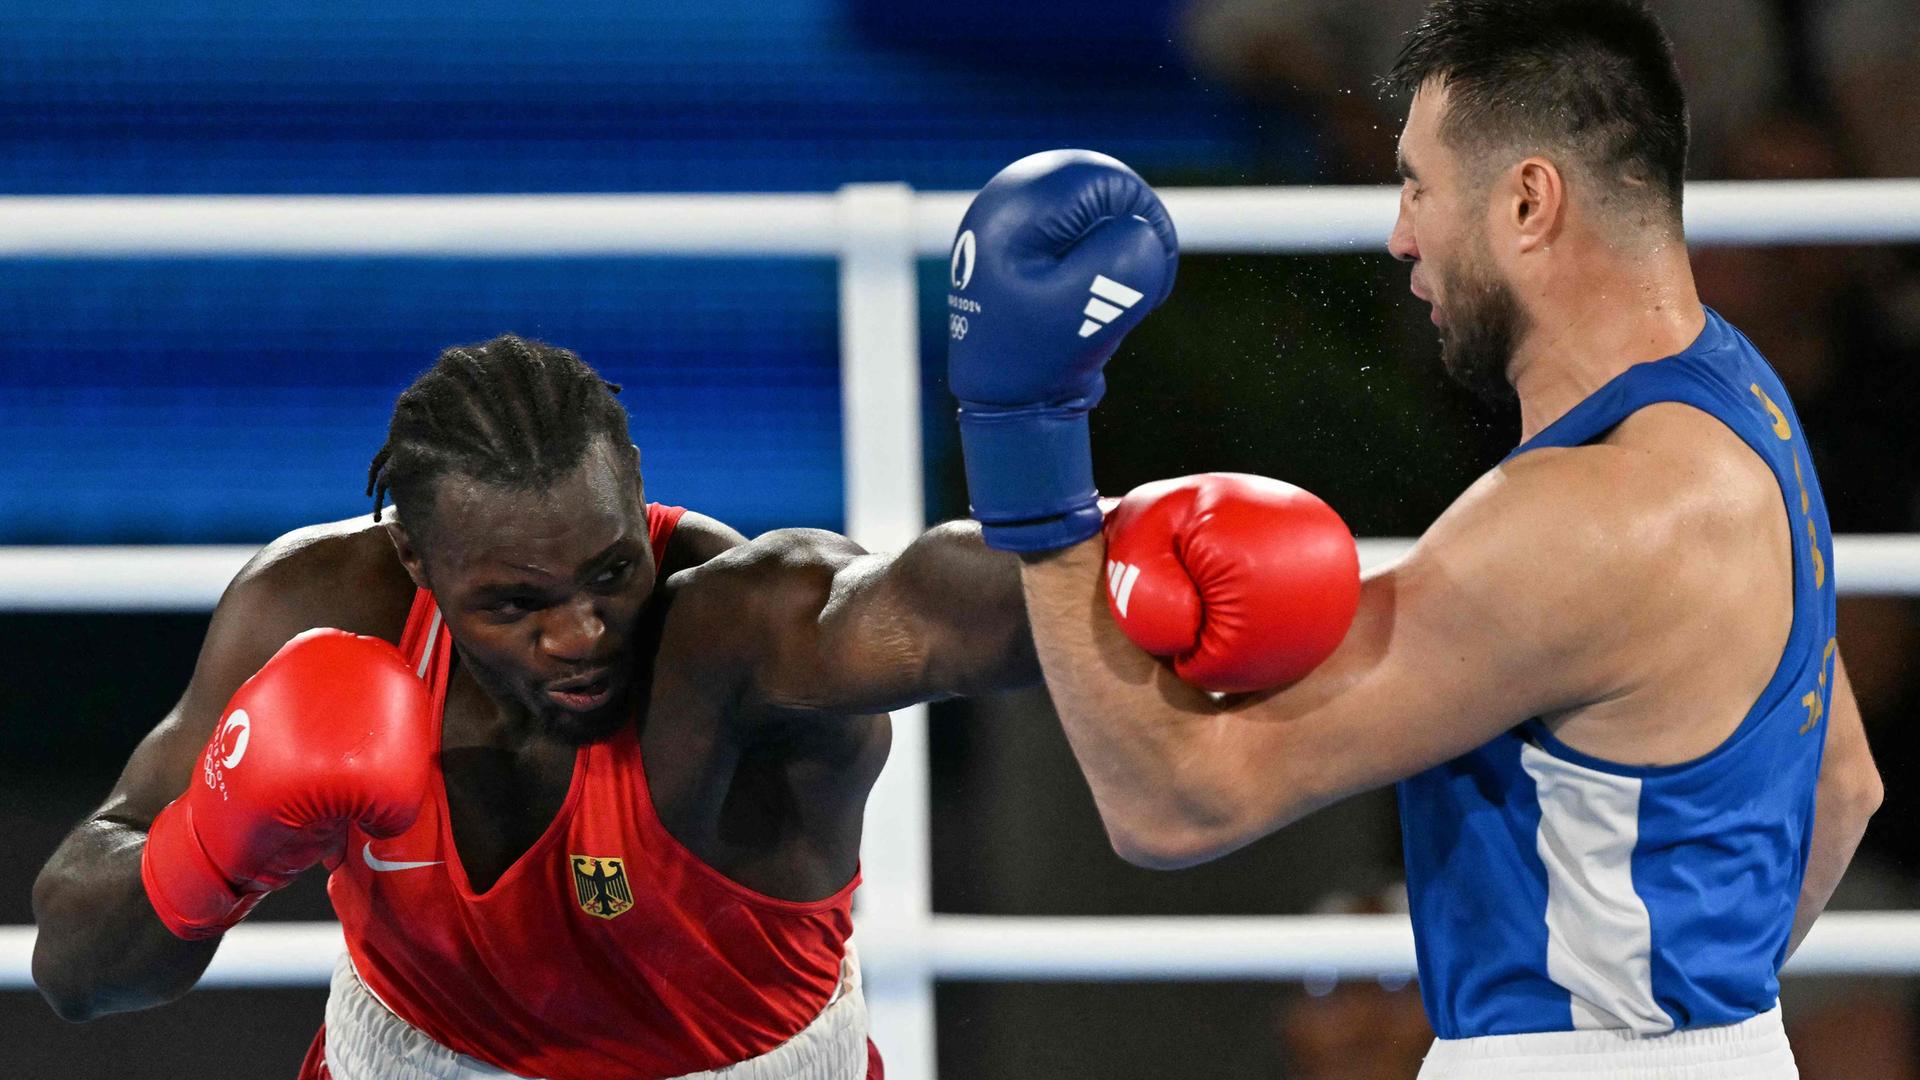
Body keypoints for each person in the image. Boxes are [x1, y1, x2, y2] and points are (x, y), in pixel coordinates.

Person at [943, 1, 1883, 1076]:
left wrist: (1029, 449)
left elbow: (1176, 799)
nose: (1399, 234)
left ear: (1529, 201)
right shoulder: (1742, 403)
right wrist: (1690, 1022)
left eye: (1419, 185)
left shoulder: (1583, 520)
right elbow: (1843, 789)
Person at [30, 336, 1040, 1079]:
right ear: (416, 560)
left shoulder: (741, 628)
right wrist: (209, 844)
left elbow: (928, 610)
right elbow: (78, 971)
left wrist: (1109, 549)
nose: (583, 632)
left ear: (639, 495)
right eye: (518, 604)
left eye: (610, 572)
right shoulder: (319, 610)